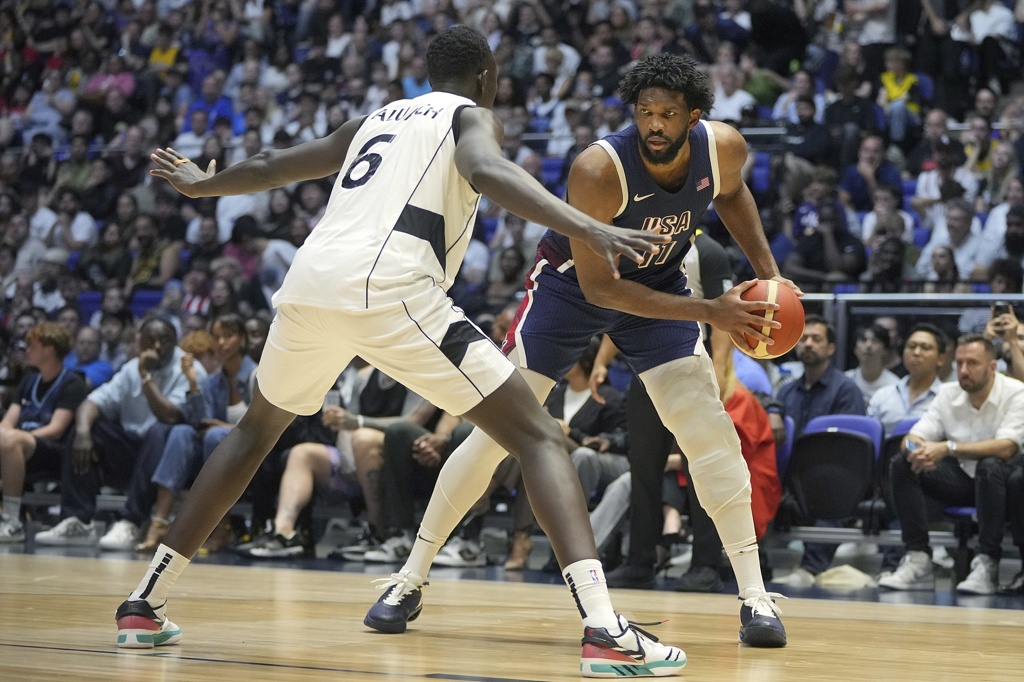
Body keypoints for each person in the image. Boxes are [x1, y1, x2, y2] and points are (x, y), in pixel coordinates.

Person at [114, 26, 683, 677]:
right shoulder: (470, 115)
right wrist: (584, 224)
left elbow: (272, 166)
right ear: (486, 77)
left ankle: (144, 603)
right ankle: (605, 631)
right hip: (390, 284)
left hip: (310, 282)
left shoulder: (375, 119)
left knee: (253, 433)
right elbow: (488, 170)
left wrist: (200, 186)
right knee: (538, 437)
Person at [372, 51, 794, 650]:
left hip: (658, 285)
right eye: (645, 112)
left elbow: (732, 194)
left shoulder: (722, 146)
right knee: (494, 437)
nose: (653, 124)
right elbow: (602, 290)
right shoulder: (599, 168)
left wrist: (770, 274)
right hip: (570, 290)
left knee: (709, 432)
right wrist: (710, 311)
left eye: (667, 114)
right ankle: (410, 577)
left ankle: (754, 596)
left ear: (694, 117)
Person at [879, 334, 1024, 594]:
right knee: (902, 463)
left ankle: (987, 563)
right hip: (962, 481)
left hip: (1006, 486)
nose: (964, 371)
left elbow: (1007, 447)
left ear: (992, 367)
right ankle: (918, 558)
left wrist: (948, 447)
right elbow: (913, 437)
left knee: (990, 465)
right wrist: (916, 451)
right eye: (959, 363)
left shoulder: (1016, 392)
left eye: (973, 363)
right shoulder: (948, 393)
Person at [0, 323, 89, 542]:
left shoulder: (72, 382)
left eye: (32, 345)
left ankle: (12, 522)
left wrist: (15, 438)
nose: (27, 350)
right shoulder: (29, 381)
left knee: (12, 441)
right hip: (19, 447)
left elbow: (56, 429)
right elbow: (7, 422)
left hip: (55, 453)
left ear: (49, 350)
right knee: (8, 439)